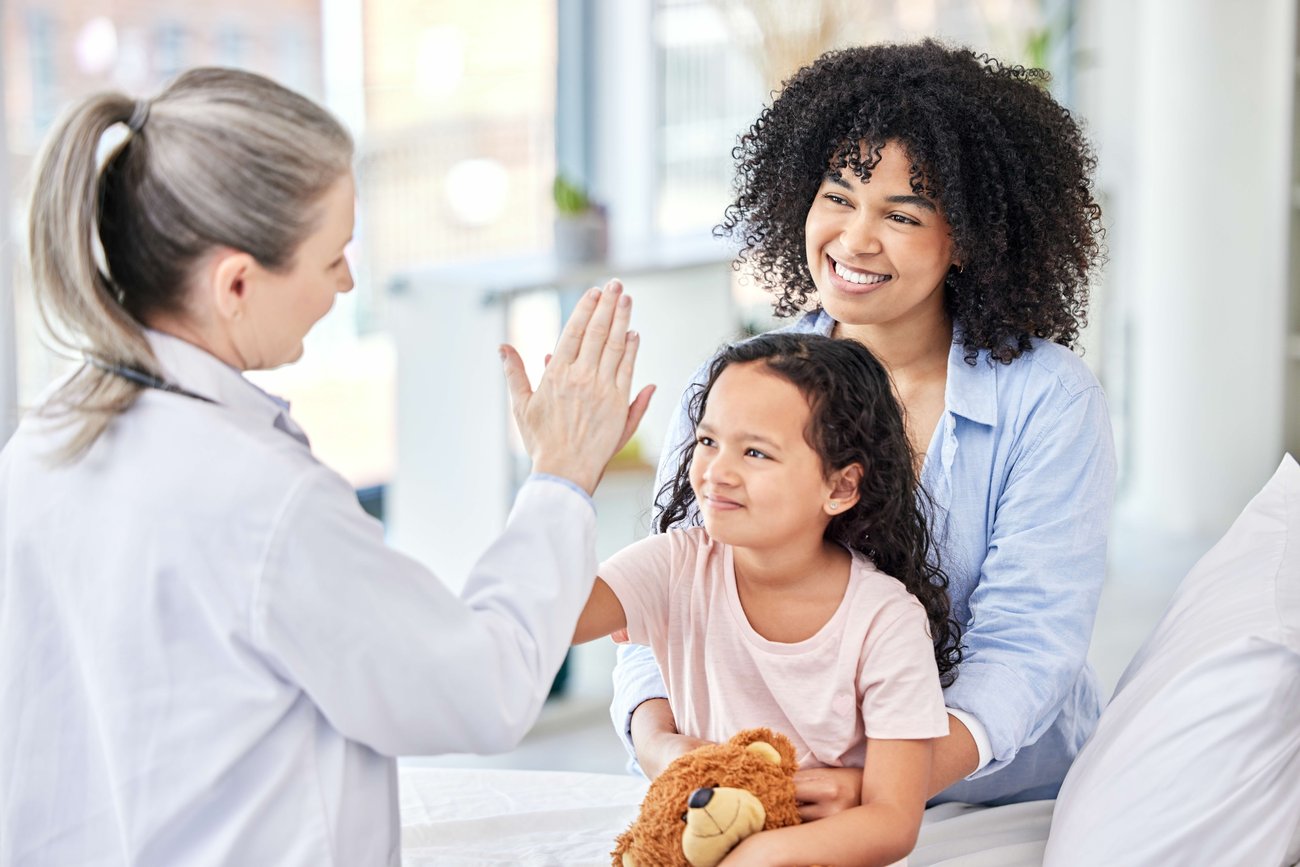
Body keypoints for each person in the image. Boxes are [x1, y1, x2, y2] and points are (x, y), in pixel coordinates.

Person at [0, 68, 652, 866]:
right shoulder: (261, 498)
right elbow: (480, 689)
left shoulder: (42, 442)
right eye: (333, 257)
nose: (345, 282)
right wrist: (562, 477)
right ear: (236, 283)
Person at [612, 39, 1116, 810]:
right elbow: (663, 595)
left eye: (902, 214)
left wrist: (882, 787)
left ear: (968, 238)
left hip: (990, 795)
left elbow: (1027, 645)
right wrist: (664, 749)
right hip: (767, 792)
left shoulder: (1049, 401)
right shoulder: (736, 381)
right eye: (838, 197)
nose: (854, 239)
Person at [576, 332, 962, 866]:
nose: (716, 472)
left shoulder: (886, 620)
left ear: (840, 487)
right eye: (708, 441)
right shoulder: (674, 564)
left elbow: (892, 822)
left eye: (755, 452)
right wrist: (569, 474)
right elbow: (550, 622)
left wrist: (758, 856)